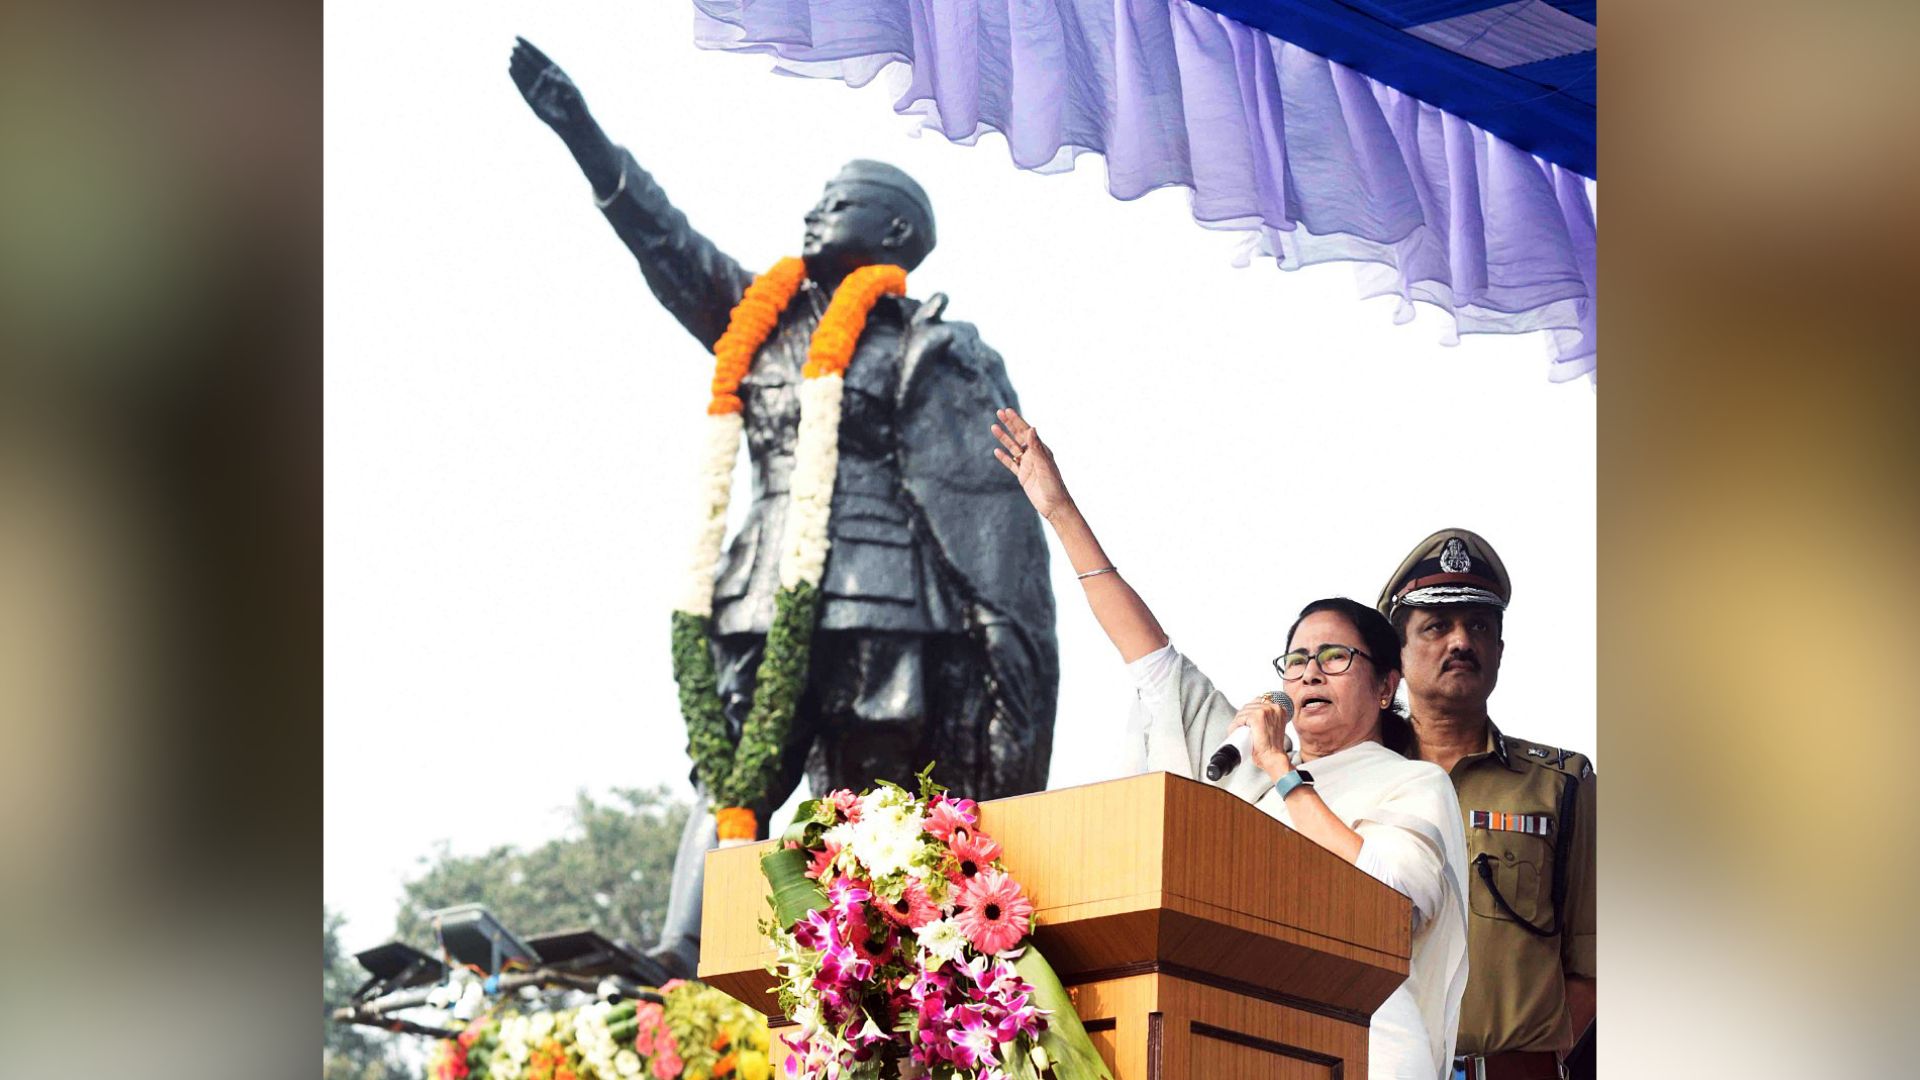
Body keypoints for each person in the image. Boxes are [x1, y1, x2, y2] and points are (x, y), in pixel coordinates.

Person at [509, 39, 1058, 981]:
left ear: (897, 235)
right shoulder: (754, 321)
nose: (814, 212)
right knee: (730, 773)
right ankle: (686, 949)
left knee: (878, 787)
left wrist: (993, 646)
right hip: (760, 588)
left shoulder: (939, 346)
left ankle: (887, 971)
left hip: (886, 598)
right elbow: (665, 241)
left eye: (839, 199)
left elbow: (984, 511)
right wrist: (583, 135)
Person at [991, 407, 1469, 1080]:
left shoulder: (1411, 784)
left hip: (1365, 1049)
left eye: (1334, 657)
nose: (1308, 671)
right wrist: (1061, 512)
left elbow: (1393, 895)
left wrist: (1282, 770)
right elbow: (1152, 661)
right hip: (1247, 1043)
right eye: (1297, 659)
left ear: (1387, 683)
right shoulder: (1244, 771)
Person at [1376, 529, 1596, 1080]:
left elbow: (1593, 955)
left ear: (1499, 649)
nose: (1461, 642)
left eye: (1479, 626)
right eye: (1436, 627)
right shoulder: (1359, 780)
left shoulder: (1559, 784)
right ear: (1396, 656)